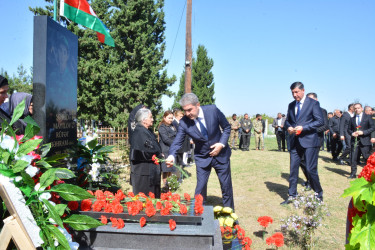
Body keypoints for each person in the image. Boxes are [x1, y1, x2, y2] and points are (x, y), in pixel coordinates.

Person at [166, 93, 234, 209]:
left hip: (221, 155)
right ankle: (198, 214)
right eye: (185, 111)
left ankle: (231, 215)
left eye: (190, 110)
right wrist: (172, 155)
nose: (187, 114)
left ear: (197, 105)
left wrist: (221, 144)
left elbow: (227, 127)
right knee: (200, 188)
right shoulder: (184, 123)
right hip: (202, 158)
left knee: (226, 186)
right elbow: (177, 141)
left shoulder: (212, 110)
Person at [281, 82, 324, 205]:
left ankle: (318, 193)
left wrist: (303, 128)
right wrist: (288, 127)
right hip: (295, 141)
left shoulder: (313, 103)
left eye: (296, 92)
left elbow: (319, 121)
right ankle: (292, 195)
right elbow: (288, 121)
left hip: (310, 141)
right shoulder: (291, 105)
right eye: (292, 93)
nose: (295, 95)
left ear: (303, 90)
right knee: (293, 169)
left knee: (310, 169)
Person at [129, 108, 162, 198]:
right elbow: (145, 152)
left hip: (149, 173)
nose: (153, 119)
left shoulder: (146, 131)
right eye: (151, 117)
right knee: (145, 201)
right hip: (144, 175)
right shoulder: (140, 132)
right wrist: (158, 155)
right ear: (144, 120)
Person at [299, 92, 329, 191]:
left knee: (311, 164)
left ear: (316, 100)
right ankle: (309, 180)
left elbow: (324, 126)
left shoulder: (322, 111)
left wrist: (310, 130)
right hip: (304, 140)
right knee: (302, 161)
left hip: (315, 140)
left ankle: (314, 184)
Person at [347, 103, 375, 178]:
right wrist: (352, 133)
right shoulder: (352, 118)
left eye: (358, 108)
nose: (357, 110)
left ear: (362, 108)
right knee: (353, 158)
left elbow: (372, 128)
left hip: (365, 141)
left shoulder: (368, 117)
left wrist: (363, 132)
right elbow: (348, 129)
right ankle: (353, 173)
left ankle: (367, 174)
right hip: (355, 141)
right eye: (355, 108)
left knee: (366, 158)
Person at [158, 111, 177, 187]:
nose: (171, 120)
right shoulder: (162, 127)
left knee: (170, 170)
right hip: (165, 150)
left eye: (172, 118)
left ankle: (170, 185)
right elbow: (166, 139)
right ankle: (165, 186)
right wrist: (175, 144)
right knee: (165, 170)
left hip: (171, 150)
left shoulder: (172, 126)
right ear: (164, 118)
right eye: (169, 118)